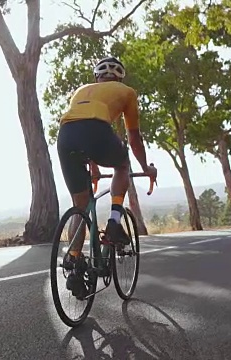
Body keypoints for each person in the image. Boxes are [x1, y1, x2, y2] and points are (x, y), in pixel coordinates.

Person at [55, 56, 157, 297]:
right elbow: (133, 138)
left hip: (65, 136)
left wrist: (94, 168)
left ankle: (74, 261)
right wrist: (147, 167)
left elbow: (82, 126)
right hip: (97, 133)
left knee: (80, 206)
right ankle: (113, 222)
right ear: (120, 76)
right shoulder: (127, 91)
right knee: (122, 166)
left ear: (97, 77)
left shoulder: (81, 90)